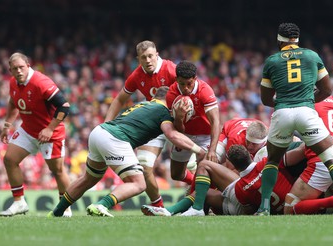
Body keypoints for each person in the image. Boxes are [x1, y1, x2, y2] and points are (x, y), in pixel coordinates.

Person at [47, 87, 207, 217]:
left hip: (99, 132)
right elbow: (172, 135)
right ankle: (101, 205)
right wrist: (198, 150)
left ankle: (57, 212)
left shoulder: (146, 105)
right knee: (139, 183)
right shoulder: (162, 110)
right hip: (115, 139)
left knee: (88, 179)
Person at [257, 22, 333, 215]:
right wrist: (308, 102)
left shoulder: (272, 61)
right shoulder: (312, 56)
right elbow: (327, 90)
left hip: (282, 113)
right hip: (306, 111)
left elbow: (264, 99)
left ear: (279, 41)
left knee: (272, 161)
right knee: (332, 159)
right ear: (297, 40)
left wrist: (282, 104)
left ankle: (263, 209)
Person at [105, 40, 177, 208]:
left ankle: (203, 197)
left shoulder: (171, 70)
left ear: (157, 55)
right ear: (138, 59)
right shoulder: (137, 75)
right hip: (156, 123)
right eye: (143, 57)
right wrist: (107, 124)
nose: (148, 60)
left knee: (184, 169)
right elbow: (120, 99)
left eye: (151, 56)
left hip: (179, 122)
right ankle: (158, 207)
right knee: (144, 166)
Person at [0, 52, 72, 217]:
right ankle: (19, 203)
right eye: (14, 69)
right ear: (10, 70)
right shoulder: (13, 83)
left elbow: (64, 106)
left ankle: (65, 207)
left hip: (50, 133)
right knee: (9, 159)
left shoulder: (41, 82)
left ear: (28, 66)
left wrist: (50, 129)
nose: (18, 71)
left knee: (57, 170)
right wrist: (7, 126)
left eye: (21, 67)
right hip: (28, 129)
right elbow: (13, 102)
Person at [141, 144, 306, 216]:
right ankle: (170, 212)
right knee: (204, 192)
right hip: (278, 206)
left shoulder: (242, 186)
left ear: (232, 165)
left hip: (240, 200)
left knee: (204, 168)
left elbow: (248, 206)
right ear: (250, 156)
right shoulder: (266, 165)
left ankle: (186, 210)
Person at [166, 61, 220, 185]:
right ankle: (194, 185)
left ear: (195, 78)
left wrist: (212, 150)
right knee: (176, 175)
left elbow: (215, 122)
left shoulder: (205, 90)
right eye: (182, 84)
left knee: (205, 173)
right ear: (176, 79)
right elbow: (179, 130)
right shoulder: (172, 94)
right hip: (185, 136)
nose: (185, 88)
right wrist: (179, 118)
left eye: (189, 84)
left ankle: (197, 193)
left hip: (206, 136)